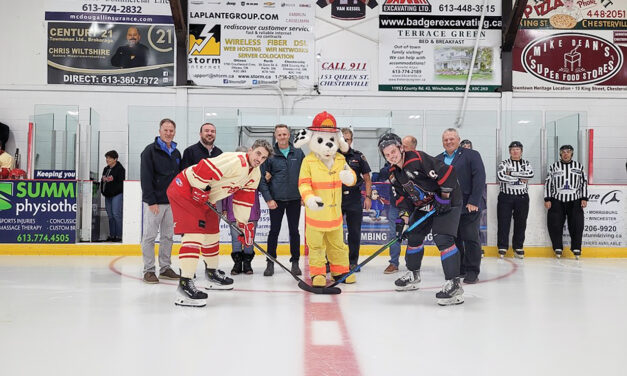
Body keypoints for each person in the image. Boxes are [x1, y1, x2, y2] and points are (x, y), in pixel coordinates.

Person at [167, 140, 272, 307]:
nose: (259, 159)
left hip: (206, 197)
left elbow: (243, 201)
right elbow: (204, 167)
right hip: (185, 189)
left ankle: (211, 273)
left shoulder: (255, 174)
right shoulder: (236, 160)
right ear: (251, 150)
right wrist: (200, 188)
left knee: (212, 233)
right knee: (194, 234)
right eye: (258, 153)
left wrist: (243, 226)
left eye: (264, 157)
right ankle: (185, 284)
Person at [379, 133, 464, 306]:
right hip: (425, 205)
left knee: (443, 237)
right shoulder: (394, 174)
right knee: (414, 236)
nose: (391, 157)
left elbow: (448, 172)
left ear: (401, 148)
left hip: (448, 200)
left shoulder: (418, 159)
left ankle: (454, 284)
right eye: (387, 155)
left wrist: (444, 197)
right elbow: (403, 200)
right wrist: (401, 222)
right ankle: (413, 275)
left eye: (393, 151)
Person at [436, 128, 486, 284]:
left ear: (458, 140)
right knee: (455, 239)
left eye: (452, 139)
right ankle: (460, 268)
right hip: (449, 208)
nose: (449, 142)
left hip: (469, 205)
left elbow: (479, 178)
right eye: (446, 139)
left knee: (471, 238)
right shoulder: (437, 159)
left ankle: (472, 270)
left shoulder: (471, 155)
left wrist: (474, 201)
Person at [258, 124, 305, 277]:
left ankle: (295, 262)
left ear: (289, 135)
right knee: (274, 231)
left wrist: (304, 195)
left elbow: (305, 176)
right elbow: (262, 180)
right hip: (276, 200)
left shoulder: (298, 153)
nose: (282, 137)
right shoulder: (270, 155)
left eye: (285, 134)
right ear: (275, 135)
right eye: (280, 134)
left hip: (294, 199)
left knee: (294, 232)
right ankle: (270, 262)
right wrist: (268, 199)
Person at [140, 118, 181, 284]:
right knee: (149, 237)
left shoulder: (177, 153)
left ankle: (165, 268)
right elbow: (146, 177)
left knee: (167, 237)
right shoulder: (150, 151)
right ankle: (149, 270)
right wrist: (151, 201)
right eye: (166, 130)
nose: (169, 133)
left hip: (171, 203)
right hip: (155, 203)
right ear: (160, 131)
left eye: (171, 130)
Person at [544, 144, 588, 259]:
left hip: (575, 200)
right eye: (563, 151)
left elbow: (584, 183)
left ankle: (576, 248)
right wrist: (547, 198)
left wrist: (584, 198)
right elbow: (548, 183)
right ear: (560, 153)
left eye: (568, 151)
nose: (566, 154)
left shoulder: (579, 167)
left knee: (577, 225)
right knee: (555, 224)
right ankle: (557, 247)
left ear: (572, 153)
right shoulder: (554, 167)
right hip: (557, 200)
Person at [222, 146, 261, 275]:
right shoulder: (229, 172)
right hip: (234, 211)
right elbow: (224, 191)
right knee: (236, 238)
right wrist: (224, 208)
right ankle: (237, 263)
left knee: (249, 238)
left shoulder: (255, 171)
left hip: (251, 210)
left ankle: (248, 264)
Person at [340, 128, 372, 269]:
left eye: (347, 139)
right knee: (333, 233)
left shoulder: (358, 157)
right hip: (336, 199)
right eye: (342, 139)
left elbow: (367, 179)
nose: (345, 142)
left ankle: (353, 262)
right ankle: (332, 262)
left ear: (351, 140)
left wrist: (368, 197)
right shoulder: (332, 156)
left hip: (354, 198)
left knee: (354, 232)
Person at [496, 141, 534, 259]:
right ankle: (502, 247)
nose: (515, 151)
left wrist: (511, 173)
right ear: (509, 151)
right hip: (505, 197)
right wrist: (520, 176)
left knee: (521, 222)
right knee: (503, 222)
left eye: (517, 149)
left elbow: (530, 175)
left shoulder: (527, 163)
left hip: (522, 197)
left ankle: (518, 247)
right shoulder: (504, 163)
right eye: (512, 149)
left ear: (521, 151)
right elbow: (501, 176)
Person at [101, 150, 125, 242]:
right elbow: (103, 181)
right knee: (110, 215)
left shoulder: (120, 169)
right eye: (107, 158)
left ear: (115, 159)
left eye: (110, 158)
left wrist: (114, 192)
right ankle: (112, 235)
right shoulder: (105, 169)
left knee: (116, 214)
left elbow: (121, 184)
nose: (107, 160)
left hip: (116, 195)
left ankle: (119, 235)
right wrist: (104, 192)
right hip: (108, 196)